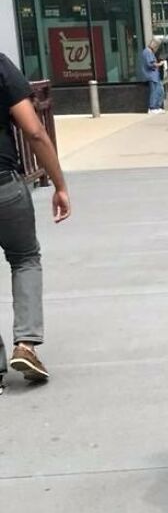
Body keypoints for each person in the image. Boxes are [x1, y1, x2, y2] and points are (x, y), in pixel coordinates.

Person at [0, 54, 71, 394]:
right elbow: (34, 130)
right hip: (4, 186)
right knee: (25, 258)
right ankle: (25, 345)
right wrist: (59, 184)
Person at [142, 39, 164, 115]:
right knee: (154, 92)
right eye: (156, 46)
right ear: (154, 45)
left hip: (154, 76)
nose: (156, 48)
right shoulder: (147, 52)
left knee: (158, 91)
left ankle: (156, 107)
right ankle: (152, 107)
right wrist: (159, 64)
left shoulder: (149, 52)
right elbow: (150, 64)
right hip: (152, 76)